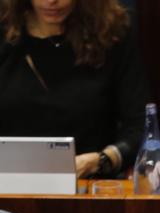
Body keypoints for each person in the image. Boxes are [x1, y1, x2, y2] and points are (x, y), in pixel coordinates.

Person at [0, 0, 147, 177]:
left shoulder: (112, 32)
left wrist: (103, 160)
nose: (51, 1)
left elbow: (140, 127)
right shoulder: (4, 30)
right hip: (9, 182)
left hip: (90, 184)